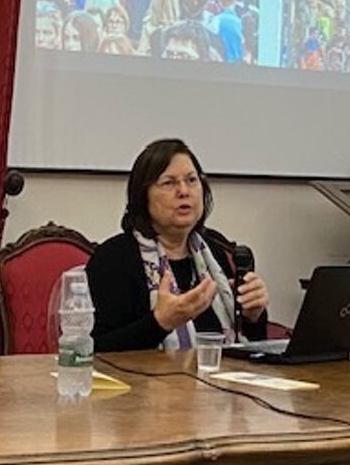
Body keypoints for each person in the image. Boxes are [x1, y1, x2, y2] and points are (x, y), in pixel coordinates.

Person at [86, 138, 270, 352]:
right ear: (143, 196)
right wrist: (159, 323)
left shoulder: (214, 253)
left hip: (218, 373)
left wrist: (253, 315)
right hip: (147, 375)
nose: (184, 191)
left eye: (191, 180)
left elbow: (250, 346)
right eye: (169, 183)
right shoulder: (114, 259)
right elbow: (96, 350)